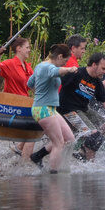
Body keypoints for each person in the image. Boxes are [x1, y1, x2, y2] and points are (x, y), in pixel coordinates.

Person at [36, 52, 105, 163]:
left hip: (83, 110)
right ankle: (89, 164)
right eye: (103, 68)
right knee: (94, 136)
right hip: (67, 111)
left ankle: (83, 149)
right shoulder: (76, 73)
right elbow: (55, 82)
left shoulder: (97, 81)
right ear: (94, 65)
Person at [27, 44, 79, 172]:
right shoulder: (47, 67)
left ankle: (37, 156)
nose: (64, 64)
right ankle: (53, 175)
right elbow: (56, 72)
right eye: (65, 61)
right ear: (60, 56)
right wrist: (69, 69)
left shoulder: (40, 66)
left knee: (69, 139)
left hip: (50, 109)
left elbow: (30, 83)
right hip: (43, 109)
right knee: (58, 143)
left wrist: (41, 93)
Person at [0, 37, 36, 157]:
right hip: (13, 105)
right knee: (35, 126)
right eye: (27, 47)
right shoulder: (10, 63)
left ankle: (19, 150)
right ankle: (24, 159)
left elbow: (34, 86)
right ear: (19, 49)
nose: (29, 50)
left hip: (25, 104)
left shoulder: (27, 67)